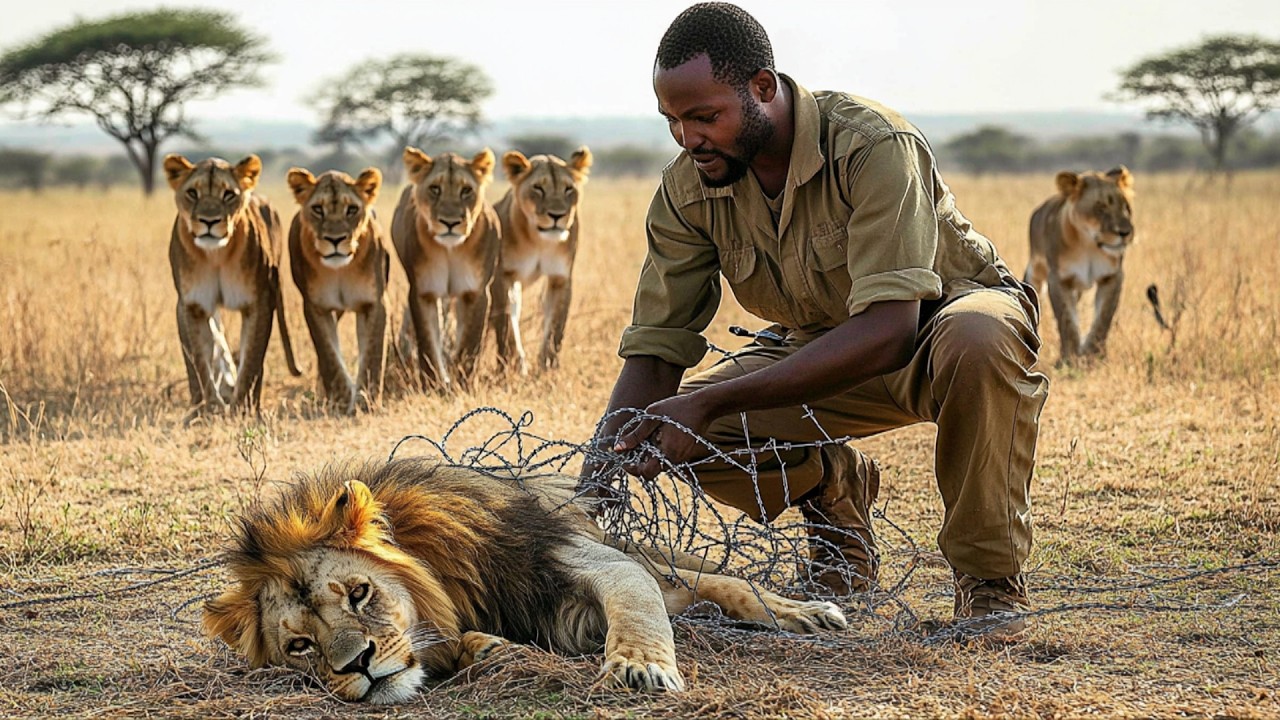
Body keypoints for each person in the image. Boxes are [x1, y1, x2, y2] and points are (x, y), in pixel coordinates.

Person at [587, 2, 1049, 638]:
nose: (688, 139)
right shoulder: (687, 190)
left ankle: (991, 583)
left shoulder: (873, 144)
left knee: (981, 336)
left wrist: (713, 401)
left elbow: (890, 330)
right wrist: (593, 492)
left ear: (763, 89)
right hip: (818, 349)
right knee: (668, 430)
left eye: (705, 117)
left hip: (938, 329)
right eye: (672, 121)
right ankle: (833, 494)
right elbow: (656, 353)